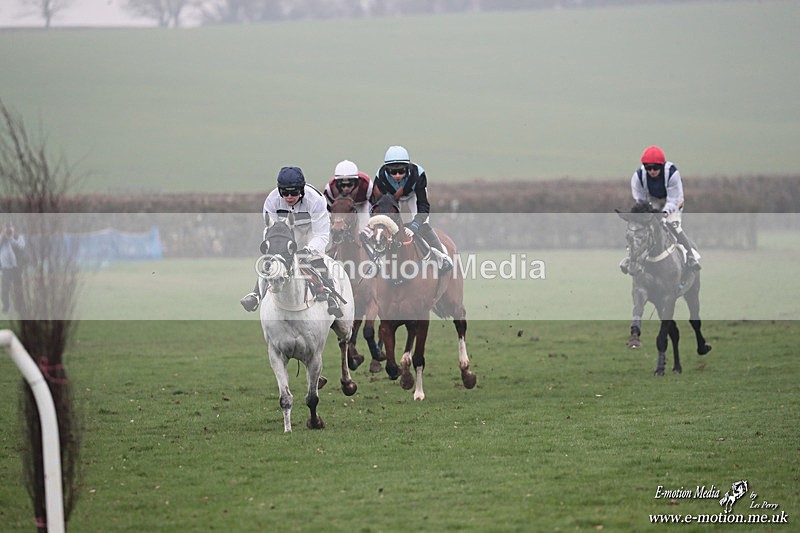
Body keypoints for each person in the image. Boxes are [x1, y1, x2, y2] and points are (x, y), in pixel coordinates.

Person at [240, 166, 343, 317]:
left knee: (314, 257)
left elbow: (321, 235)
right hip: (286, 230)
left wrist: (308, 249)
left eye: (294, 192)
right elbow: (271, 232)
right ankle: (256, 295)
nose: (289, 197)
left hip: (312, 229)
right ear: (279, 191)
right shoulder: (272, 201)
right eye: (284, 192)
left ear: (302, 190)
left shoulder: (315, 200)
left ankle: (330, 295)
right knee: (272, 259)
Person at [368, 145, 453, 272]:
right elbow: (377, 205)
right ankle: (376, 258)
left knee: (422, 225)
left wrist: (414, 226)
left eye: (401, 171)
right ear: (386, 170)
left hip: (413, 196)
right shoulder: (380, 177)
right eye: (393, 171)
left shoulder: (418, 174)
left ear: (408, 168)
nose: (397, 175)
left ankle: (441, 255)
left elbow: (423, 206)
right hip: (392, 199)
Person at [620, 145, 701, 274]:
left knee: (673, 225)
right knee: (640, 229)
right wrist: (647, 214)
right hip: (652, 202)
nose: (652, 171)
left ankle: (690, 256)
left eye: (656, 168)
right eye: (648, 168)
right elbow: (641, 201)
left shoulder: (672, 174)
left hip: (673, 201)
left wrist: (663, 213)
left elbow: (674, 199)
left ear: (662, 166)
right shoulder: (638, 177)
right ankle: (630, 258)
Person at [323, 160, 372, 230]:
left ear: (357, 182)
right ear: (336, 183)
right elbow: (328, 211)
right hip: (340, 208)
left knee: (363, 224)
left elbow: (373, 206)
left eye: (349, 185)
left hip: (361, 205)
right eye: (342, 185)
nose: (346, 189)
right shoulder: (330, 188)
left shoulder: (367, 185)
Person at [0, 222, 25, 314]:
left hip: (16, 267)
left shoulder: (19, 237)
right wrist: (3, 237)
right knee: (5, 289)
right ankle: (6, 306)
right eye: (6, 229)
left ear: (14, 228)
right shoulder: (1, 239)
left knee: (18, 288)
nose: (9, 230)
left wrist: (10, 239)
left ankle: (19, 306)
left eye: (10, 228)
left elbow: (20, 247)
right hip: (5, 268)